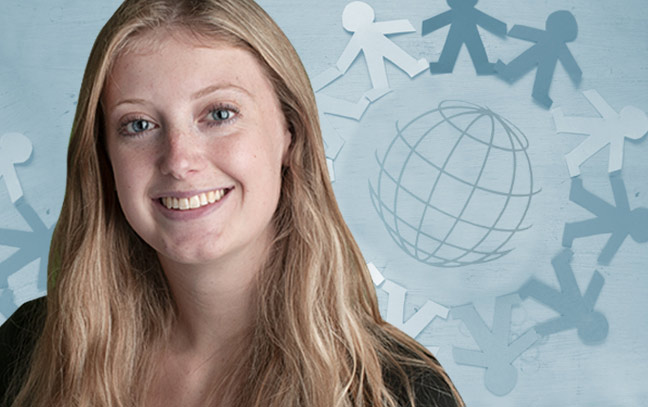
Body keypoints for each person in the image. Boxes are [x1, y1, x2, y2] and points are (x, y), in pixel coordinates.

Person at [0, 0, 464, 406]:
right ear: (103, 158)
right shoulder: (29, 349)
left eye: (220, 114)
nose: (179, 161)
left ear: (290, 133)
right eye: (138, 125)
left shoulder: (398, 391)